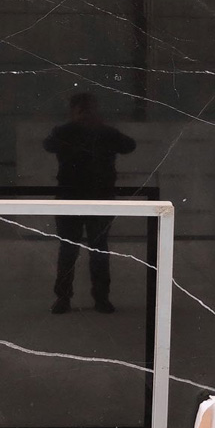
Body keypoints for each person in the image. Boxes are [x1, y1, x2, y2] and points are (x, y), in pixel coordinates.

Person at [43, 92, 137, 314]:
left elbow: (128, 145)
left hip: (78, 197)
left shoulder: (72, 132)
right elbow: (128, 145)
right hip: (89, 198)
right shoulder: (96, 132)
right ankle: (96, 299)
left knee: (76, 249)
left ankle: (69, 298)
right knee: (91, 249)